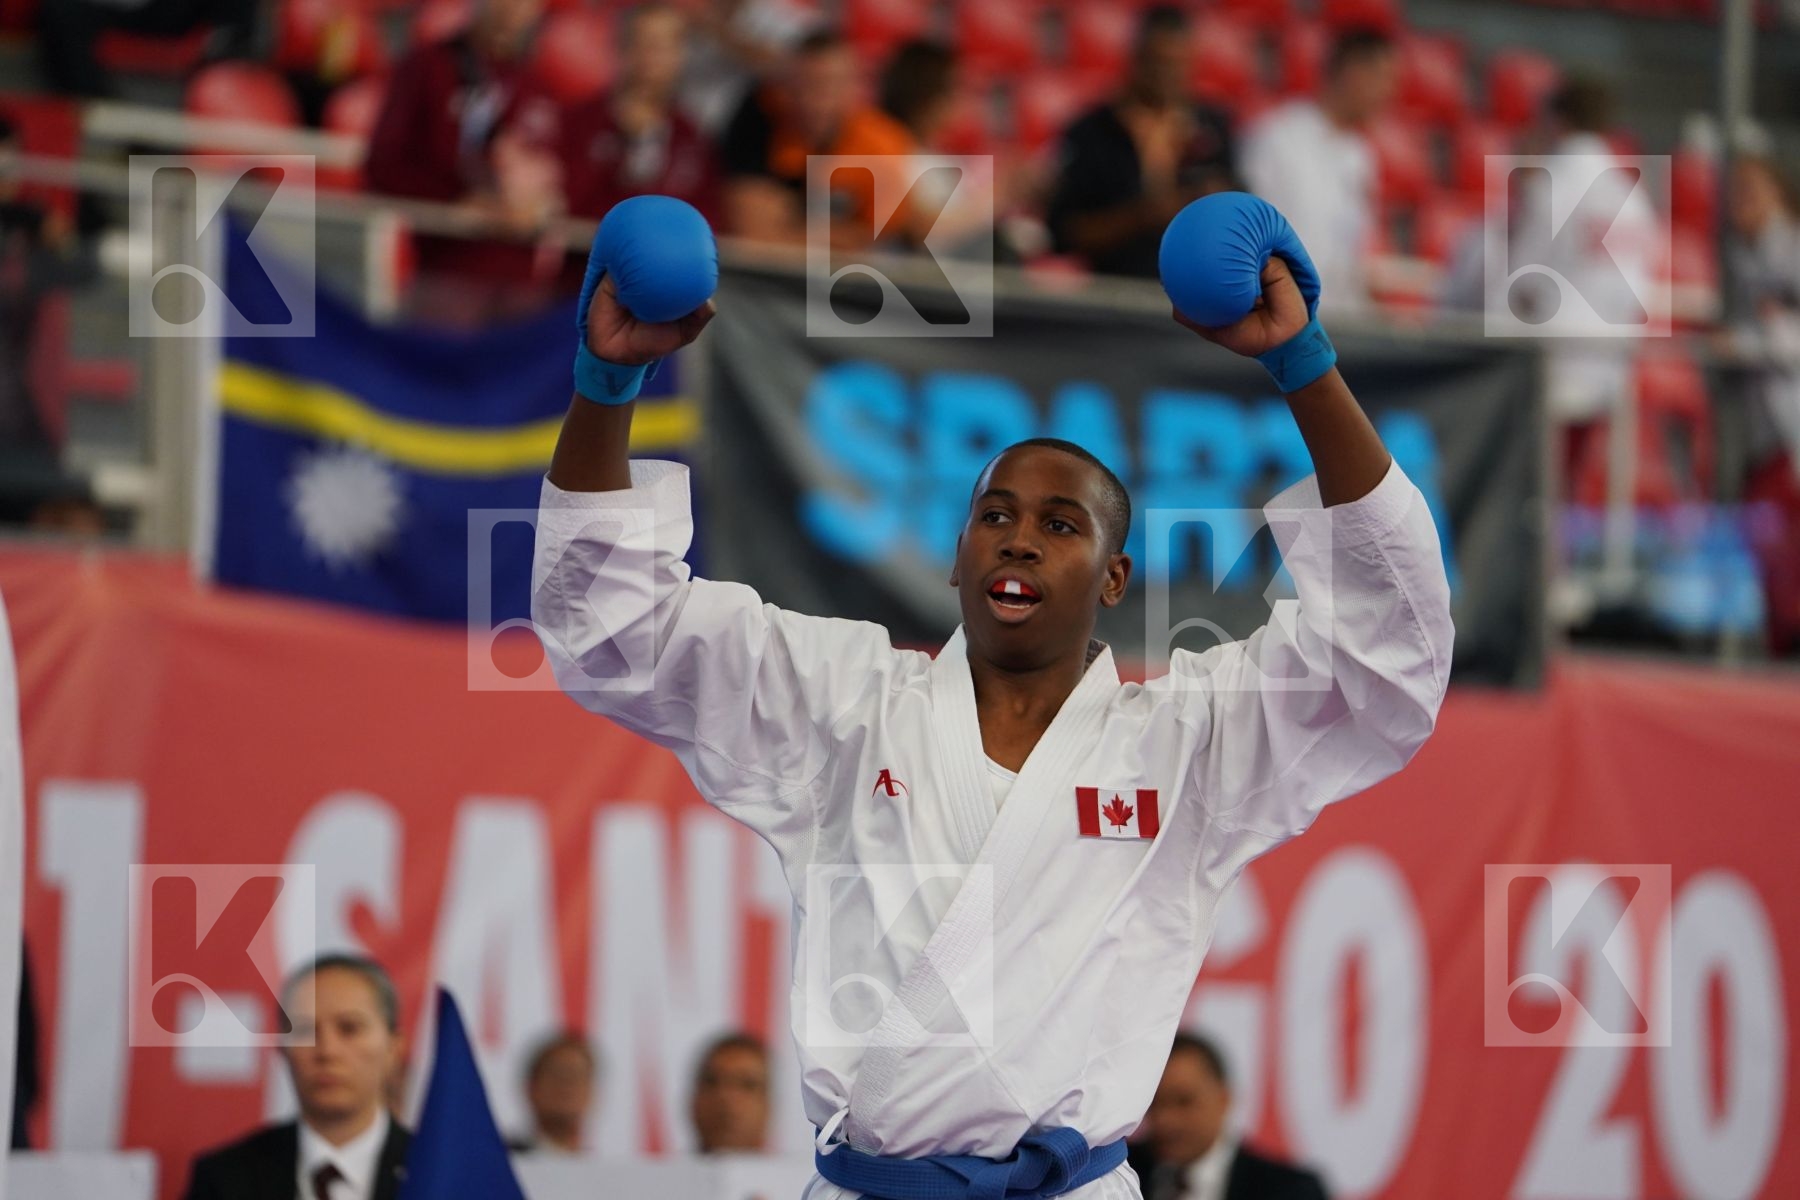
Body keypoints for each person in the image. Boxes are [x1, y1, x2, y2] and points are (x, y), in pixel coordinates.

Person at [534, 191, 1451, 1198]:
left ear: (1115, 579)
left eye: (1061, 526)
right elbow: (612, 629)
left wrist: (1305, 366)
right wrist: (607, 381)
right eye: (996, 517)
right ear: (956, 558)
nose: (1019, 540)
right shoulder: (843, 702)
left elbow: (1387, 656)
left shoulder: (1187, 743)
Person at [363, 0, 568, 324]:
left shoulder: (540, 87)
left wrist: (544, 207)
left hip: (521, 290)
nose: (512, 9)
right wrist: (457, 202)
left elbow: (564, 181)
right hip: (447, 275)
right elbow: (384, 164)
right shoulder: (428, 67)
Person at [182, 955, 411, 1200]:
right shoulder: (224, 1178)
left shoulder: (434, 1170)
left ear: (394, 1047)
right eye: (304, 1030)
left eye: (349, 1028)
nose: (327, 1051)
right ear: (281, 1047)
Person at [1048, 5, 1238, 279]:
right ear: (1136, 59)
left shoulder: (1214, 126)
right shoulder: (1091, 132)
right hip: (1115, 288)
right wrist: (1142, 215)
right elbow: (1065, 231)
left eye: (1178, 64)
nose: (1168, 75)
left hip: (1197, 289)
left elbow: (1240, 208)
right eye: (1158, 62)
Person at [1240, 28, 1397, 310]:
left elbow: (1352, 251)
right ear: (1352, 73)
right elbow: (1249, 231)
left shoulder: (1361, 156)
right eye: (1382, 78)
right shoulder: (1277, 136)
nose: (1388, 92)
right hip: (1278, 312)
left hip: (1335, 318)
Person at [718, 29, 918, 247]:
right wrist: (838, 235)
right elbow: (753, 235)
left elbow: (878, 239)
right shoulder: (759, 119)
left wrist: (790, 227)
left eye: (829, 84)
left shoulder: (883, 142)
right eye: (803, 83)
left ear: (853, 87)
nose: (814, 99)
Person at [1722, 153, 1800, 656]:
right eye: (1737, 192)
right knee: (1768, 538)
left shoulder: (1789, 249)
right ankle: (1781, 635)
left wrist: (1751, 341)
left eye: (1754, 189)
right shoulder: (1740, 256)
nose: (1743, 202)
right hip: (1763, 428)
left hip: (1789, 424)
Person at [562, 3, 721, 227]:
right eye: (643, 42)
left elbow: (705, 219)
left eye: (664, 46)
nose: (652, 56)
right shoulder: (580, 122)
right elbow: (567, 204)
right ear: (621, 49)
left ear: (681, 55)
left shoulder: (692, 136)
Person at [1129, 1033, 1328, 1200]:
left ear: (1223, 1099)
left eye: (1184, 1102)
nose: (1165, 1120)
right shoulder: (1120, 1171)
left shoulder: (1292, 1190)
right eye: (1153, 1103)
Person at [511, 1031, 598, 1153]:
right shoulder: (502, 1157)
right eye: (557, 1074)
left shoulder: (603, 1162)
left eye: (576, 1075)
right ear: (531, 1088)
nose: (567, 1085)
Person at [691, 1032, 771, 1154]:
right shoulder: (664, 1165)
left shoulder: (794, 1167)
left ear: (767, 1104)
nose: (727, 1098)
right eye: (712, 1082)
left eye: (747, 1085)